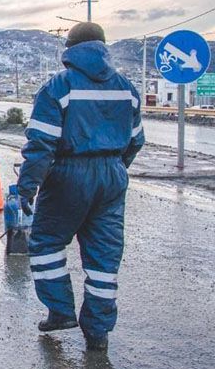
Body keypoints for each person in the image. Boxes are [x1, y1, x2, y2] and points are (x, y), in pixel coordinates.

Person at [17, 22, 145, 351]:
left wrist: (27, 186)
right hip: (112, 175)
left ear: (70, 50)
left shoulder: (59, 87)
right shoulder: (127, 88)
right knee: (104, 257)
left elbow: (41, 144)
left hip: (68, 175)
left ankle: (60, 311)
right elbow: (136, 140)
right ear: (103, 47)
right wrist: (115, 168)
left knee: (46, 243)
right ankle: (98, 331)